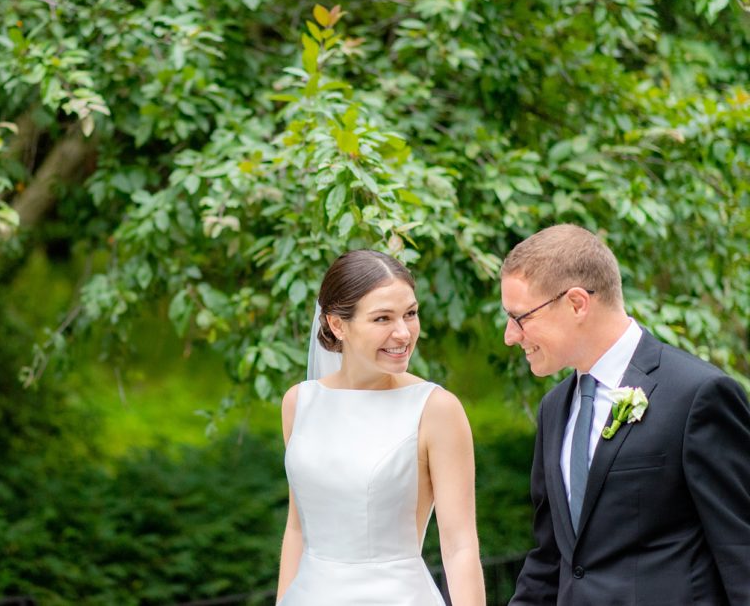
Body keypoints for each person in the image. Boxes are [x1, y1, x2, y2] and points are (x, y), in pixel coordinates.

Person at [502, 224, 750, 605]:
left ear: (576, 303)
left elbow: (741, 552)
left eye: (520, 317)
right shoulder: (554, 408)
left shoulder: (698, 395)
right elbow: (551, 559)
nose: (510, 335)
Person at [276, 249, 485, 605]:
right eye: (382, 319)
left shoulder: (436, 409)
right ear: (337, 324)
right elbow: (297, 527)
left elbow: (460, 547)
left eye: (411, 314)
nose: (403, 333)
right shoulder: (299, 403)